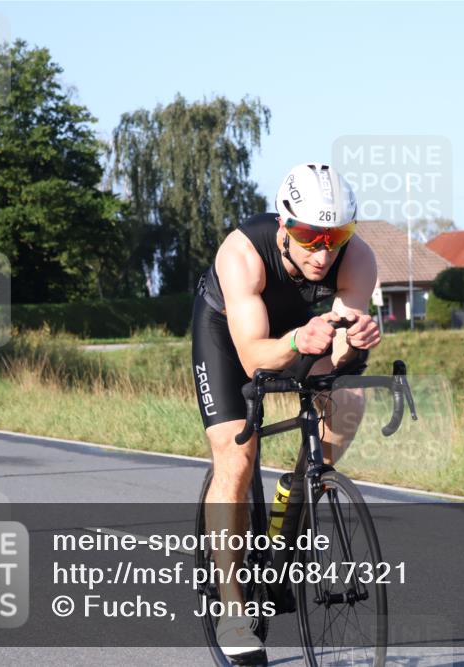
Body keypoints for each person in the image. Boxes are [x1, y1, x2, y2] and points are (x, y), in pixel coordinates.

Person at [192, 163, 380, 664]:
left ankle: (297, 490)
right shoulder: (242, 254)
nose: (323, 252)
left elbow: (336, 358)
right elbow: (254, 359)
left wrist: (351, 346)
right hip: (233, 336)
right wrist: (300, 339)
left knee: (349, 402)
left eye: (335, 236)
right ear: (284, 226)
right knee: (237, 458)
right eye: (308, 236)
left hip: (303, 334)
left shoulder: (357, 258)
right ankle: (233, 610)